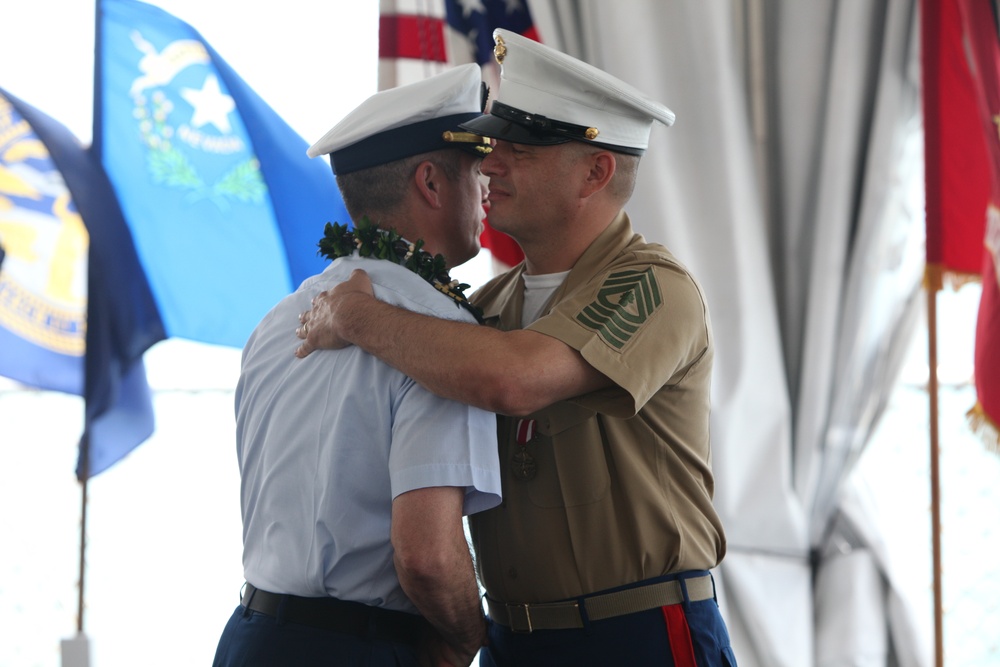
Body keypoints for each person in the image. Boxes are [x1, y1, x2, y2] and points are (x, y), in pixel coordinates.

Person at [296, 30, 737, 667]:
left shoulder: (653, 286)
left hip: (635, 632)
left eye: (521, 147)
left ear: (596, 170)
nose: (489, 163)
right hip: (512, 639)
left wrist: (359, 314)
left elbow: (516, 381)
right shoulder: (487, 307)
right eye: (491, 144)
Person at [212, 63, 503, 667]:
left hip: (248, 638)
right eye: (477, 170)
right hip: (356, 650)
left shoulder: (278, 320)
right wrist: (468, 638)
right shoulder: (439, 335)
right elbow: (425, 555)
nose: (488, 189)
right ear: (430, 182)